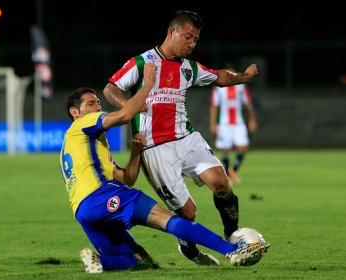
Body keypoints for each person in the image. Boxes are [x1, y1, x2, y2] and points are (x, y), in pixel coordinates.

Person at [59, 63, 269, 273]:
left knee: (141, 262)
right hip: (101, 196)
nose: (98, 107)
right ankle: (231, 250)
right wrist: (148, 84)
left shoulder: (81, 146)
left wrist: (136, 152)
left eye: (97, 102)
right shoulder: (82, 124)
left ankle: (99, 262)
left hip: (83, 212)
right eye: (90, 104)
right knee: (165, 219)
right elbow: (124, 115)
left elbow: (126, 179)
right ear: (75, 112)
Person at [103, 10, 260, 265]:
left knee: (221, 182)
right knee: (188, 212)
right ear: (171, 32)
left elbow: (218, 76)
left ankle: (233, 233)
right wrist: (128, 105)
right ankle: (188, 247)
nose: (191, 44)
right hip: (154, 148)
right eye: (188, 37)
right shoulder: (143, 63)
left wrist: (243, 77)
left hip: (186, 138)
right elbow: (111, 88)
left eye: (196, 39)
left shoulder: (188, 68)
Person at [209, 63, 258, 185]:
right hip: (224, 123)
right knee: (225, 149)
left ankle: (233, 170)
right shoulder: (218, 88)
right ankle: (227, 175)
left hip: (238, 122)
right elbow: (214, 106)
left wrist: (252, 119)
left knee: (243, 147)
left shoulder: (241, 87)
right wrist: (213, 123)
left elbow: (248, 104)